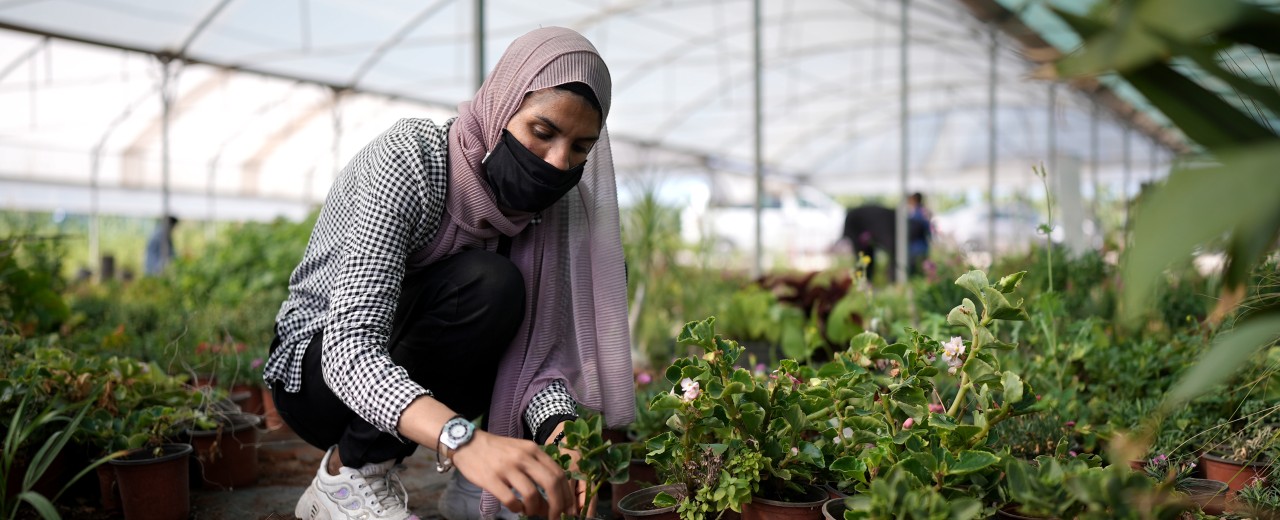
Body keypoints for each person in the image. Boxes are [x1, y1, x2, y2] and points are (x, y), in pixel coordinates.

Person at [262, 27, 634, 520]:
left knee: (506, 298)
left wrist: (561, 434)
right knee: (489, 283)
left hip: (414, 390)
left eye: (581, 148)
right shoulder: (412, 161)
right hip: (317, 381)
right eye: (542, 133)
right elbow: (350, 349)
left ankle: (480, 490)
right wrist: (464, 441)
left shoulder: (552, 211)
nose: (557, 164)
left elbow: (535, 356)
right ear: (502, 108)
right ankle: (347, 477)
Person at [906, 192, 932, 276]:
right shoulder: (923, 212)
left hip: (916, 246)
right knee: (923, 269)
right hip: (922, 246)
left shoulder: (916, 213)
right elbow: (929, 230)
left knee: (916, 270)